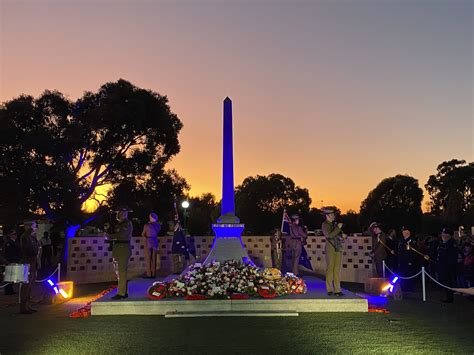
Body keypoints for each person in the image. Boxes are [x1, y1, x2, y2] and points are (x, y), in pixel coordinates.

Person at [106, 207, 133, 300]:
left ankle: (121, 293)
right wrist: (108, 230)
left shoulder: (127, 224)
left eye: (120, 212)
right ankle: (123, 291)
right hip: (117, 249)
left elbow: (121, 235)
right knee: (118, 272)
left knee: (122, 272)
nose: (118, 214)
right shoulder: (118, 224)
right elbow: (114, 233)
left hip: (123, 248)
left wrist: (109, 236)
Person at [321, 208, 346, 296]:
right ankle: (329, 289)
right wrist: (338, 228)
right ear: (327, 216)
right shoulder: (325, 225)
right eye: (331, 215)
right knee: (330, 268)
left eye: (333, 214)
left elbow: (337, 236)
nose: (333, 216)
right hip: (330, 248)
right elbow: (329, 236)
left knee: (337, 270)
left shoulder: (334, 224)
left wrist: (342, 237)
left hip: (338, 247)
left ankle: (337, 290)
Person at [19, 221, 40, 314]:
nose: (36, 228)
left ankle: (27, 306)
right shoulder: (25, 237)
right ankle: (24, 307)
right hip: (27, 263)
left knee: (30, 285)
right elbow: (30, 249)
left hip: (32, 263)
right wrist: (30, 229)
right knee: (26, 286)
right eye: (34, 227)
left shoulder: (32, 237)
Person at [437, 228, 458, 303]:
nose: (443, 235)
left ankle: (449, 297)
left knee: (448, 282)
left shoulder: (452, 243)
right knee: (444, 281)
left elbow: (451, 257)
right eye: (442, 234)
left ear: (448, 235)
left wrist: (449, 268)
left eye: (444, 234)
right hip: (442, 266)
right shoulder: (443, 243)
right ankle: (446, 295)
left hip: (448, 267)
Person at [397, 226, 418, 292]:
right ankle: (404, 287)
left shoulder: (411, 241)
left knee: (409, 274)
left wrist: (410, 261)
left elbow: (413, 252)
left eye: (404, 231)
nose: (403, 232)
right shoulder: (402, 240)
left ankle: (409, 288)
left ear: (408, 232)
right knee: (402, 274)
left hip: (408, 261)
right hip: (402, 260)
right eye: (402, 231)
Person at [141, 212, 161, 279]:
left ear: (151, 218)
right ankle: (154, 273)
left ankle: (149, 274)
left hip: (148, 241)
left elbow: (143, 234)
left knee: (148, 258)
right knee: (154, 258)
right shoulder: (158, 225)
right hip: (155, 241)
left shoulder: (147, 225)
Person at [4, 231, 20, 295]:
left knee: (12, 276)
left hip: (13, 260)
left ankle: (10, 290)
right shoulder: (8, 242)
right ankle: (8, 291)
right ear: (11, 235)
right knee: (9, 276)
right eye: (14, 234)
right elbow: (9, 253)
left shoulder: (14, 242)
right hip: (10, 260)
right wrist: (10, 261)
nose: (15, 236)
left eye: (15, 234)